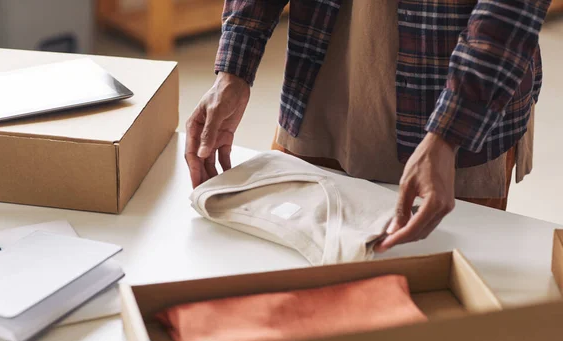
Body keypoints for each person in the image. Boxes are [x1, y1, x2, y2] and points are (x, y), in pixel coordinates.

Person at [185, 0, 551, 252]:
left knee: (442, 300)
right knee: (300, 279)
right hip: (322, 75)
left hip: (458, 96)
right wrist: (234, 67)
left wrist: (449, 130)